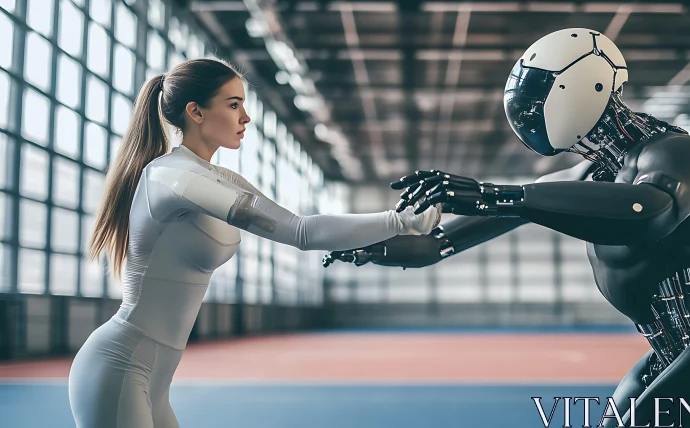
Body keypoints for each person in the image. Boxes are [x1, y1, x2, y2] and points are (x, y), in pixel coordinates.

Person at [323, 29, 690, 427]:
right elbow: (437, 245)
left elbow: (648, 212)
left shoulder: (679, 153)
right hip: (671, 352)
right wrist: (369, 245)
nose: (527, 112)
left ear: (578, 85)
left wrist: (496, 194)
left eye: (539, 95)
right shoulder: (589, 177)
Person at [68, 58, 441, 428]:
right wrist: (400, 221)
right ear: (195, 112)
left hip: (154, 378)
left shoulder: (216, 177)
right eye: (234, 105)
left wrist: (402, 221)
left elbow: (299, 227)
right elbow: (303, 235)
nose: (245, 117)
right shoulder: (172, 178)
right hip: (119, 365)